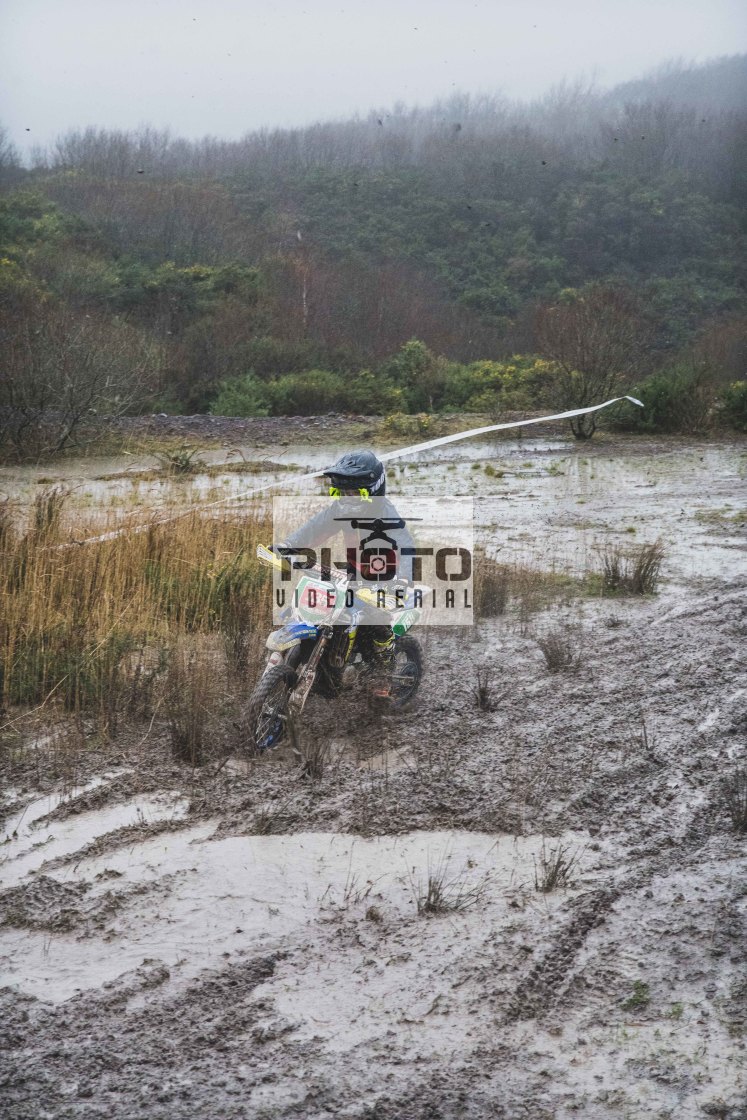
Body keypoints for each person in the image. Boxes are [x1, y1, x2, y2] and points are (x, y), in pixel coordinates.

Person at [279, 450, 415, 665]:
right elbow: (315, 528)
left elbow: (405, 546)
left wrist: (404, 579)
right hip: (353, 573)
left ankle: (382, 674)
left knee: (376, 621)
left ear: (374, 490)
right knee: (316, 605)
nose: (347, 500)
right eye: (341, 493)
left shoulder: (386, 515)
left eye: (355, 493)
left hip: (387, 579)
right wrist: (288, 546)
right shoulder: (341, 509)